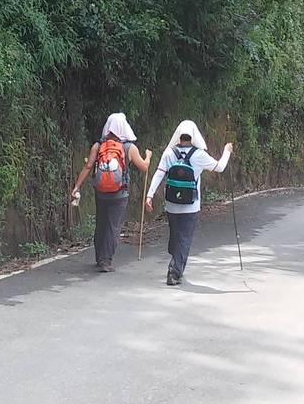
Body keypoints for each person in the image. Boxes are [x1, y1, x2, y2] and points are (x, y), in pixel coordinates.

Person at [145, 120, 233, 285]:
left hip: (171, 204)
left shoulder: (169, 153)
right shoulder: (199, 155)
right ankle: (174, 272)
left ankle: (176, 263)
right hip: (191, 206)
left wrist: (149, 195)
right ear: (194, 137)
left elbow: (159, 174)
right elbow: (220, 167)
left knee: (176, 237)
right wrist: (226, 151)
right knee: (184, 239)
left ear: (178, 136)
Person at [71, 113, 152, 272]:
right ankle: (105, 261)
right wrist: (148, 156)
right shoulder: (129, 147)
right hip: (119, 194)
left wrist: (77, 187)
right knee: (112, 226)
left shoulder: (98, 146)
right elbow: (144, 167)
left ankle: (99, 257)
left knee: (101, 223)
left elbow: (88, 167)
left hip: (100, 191)